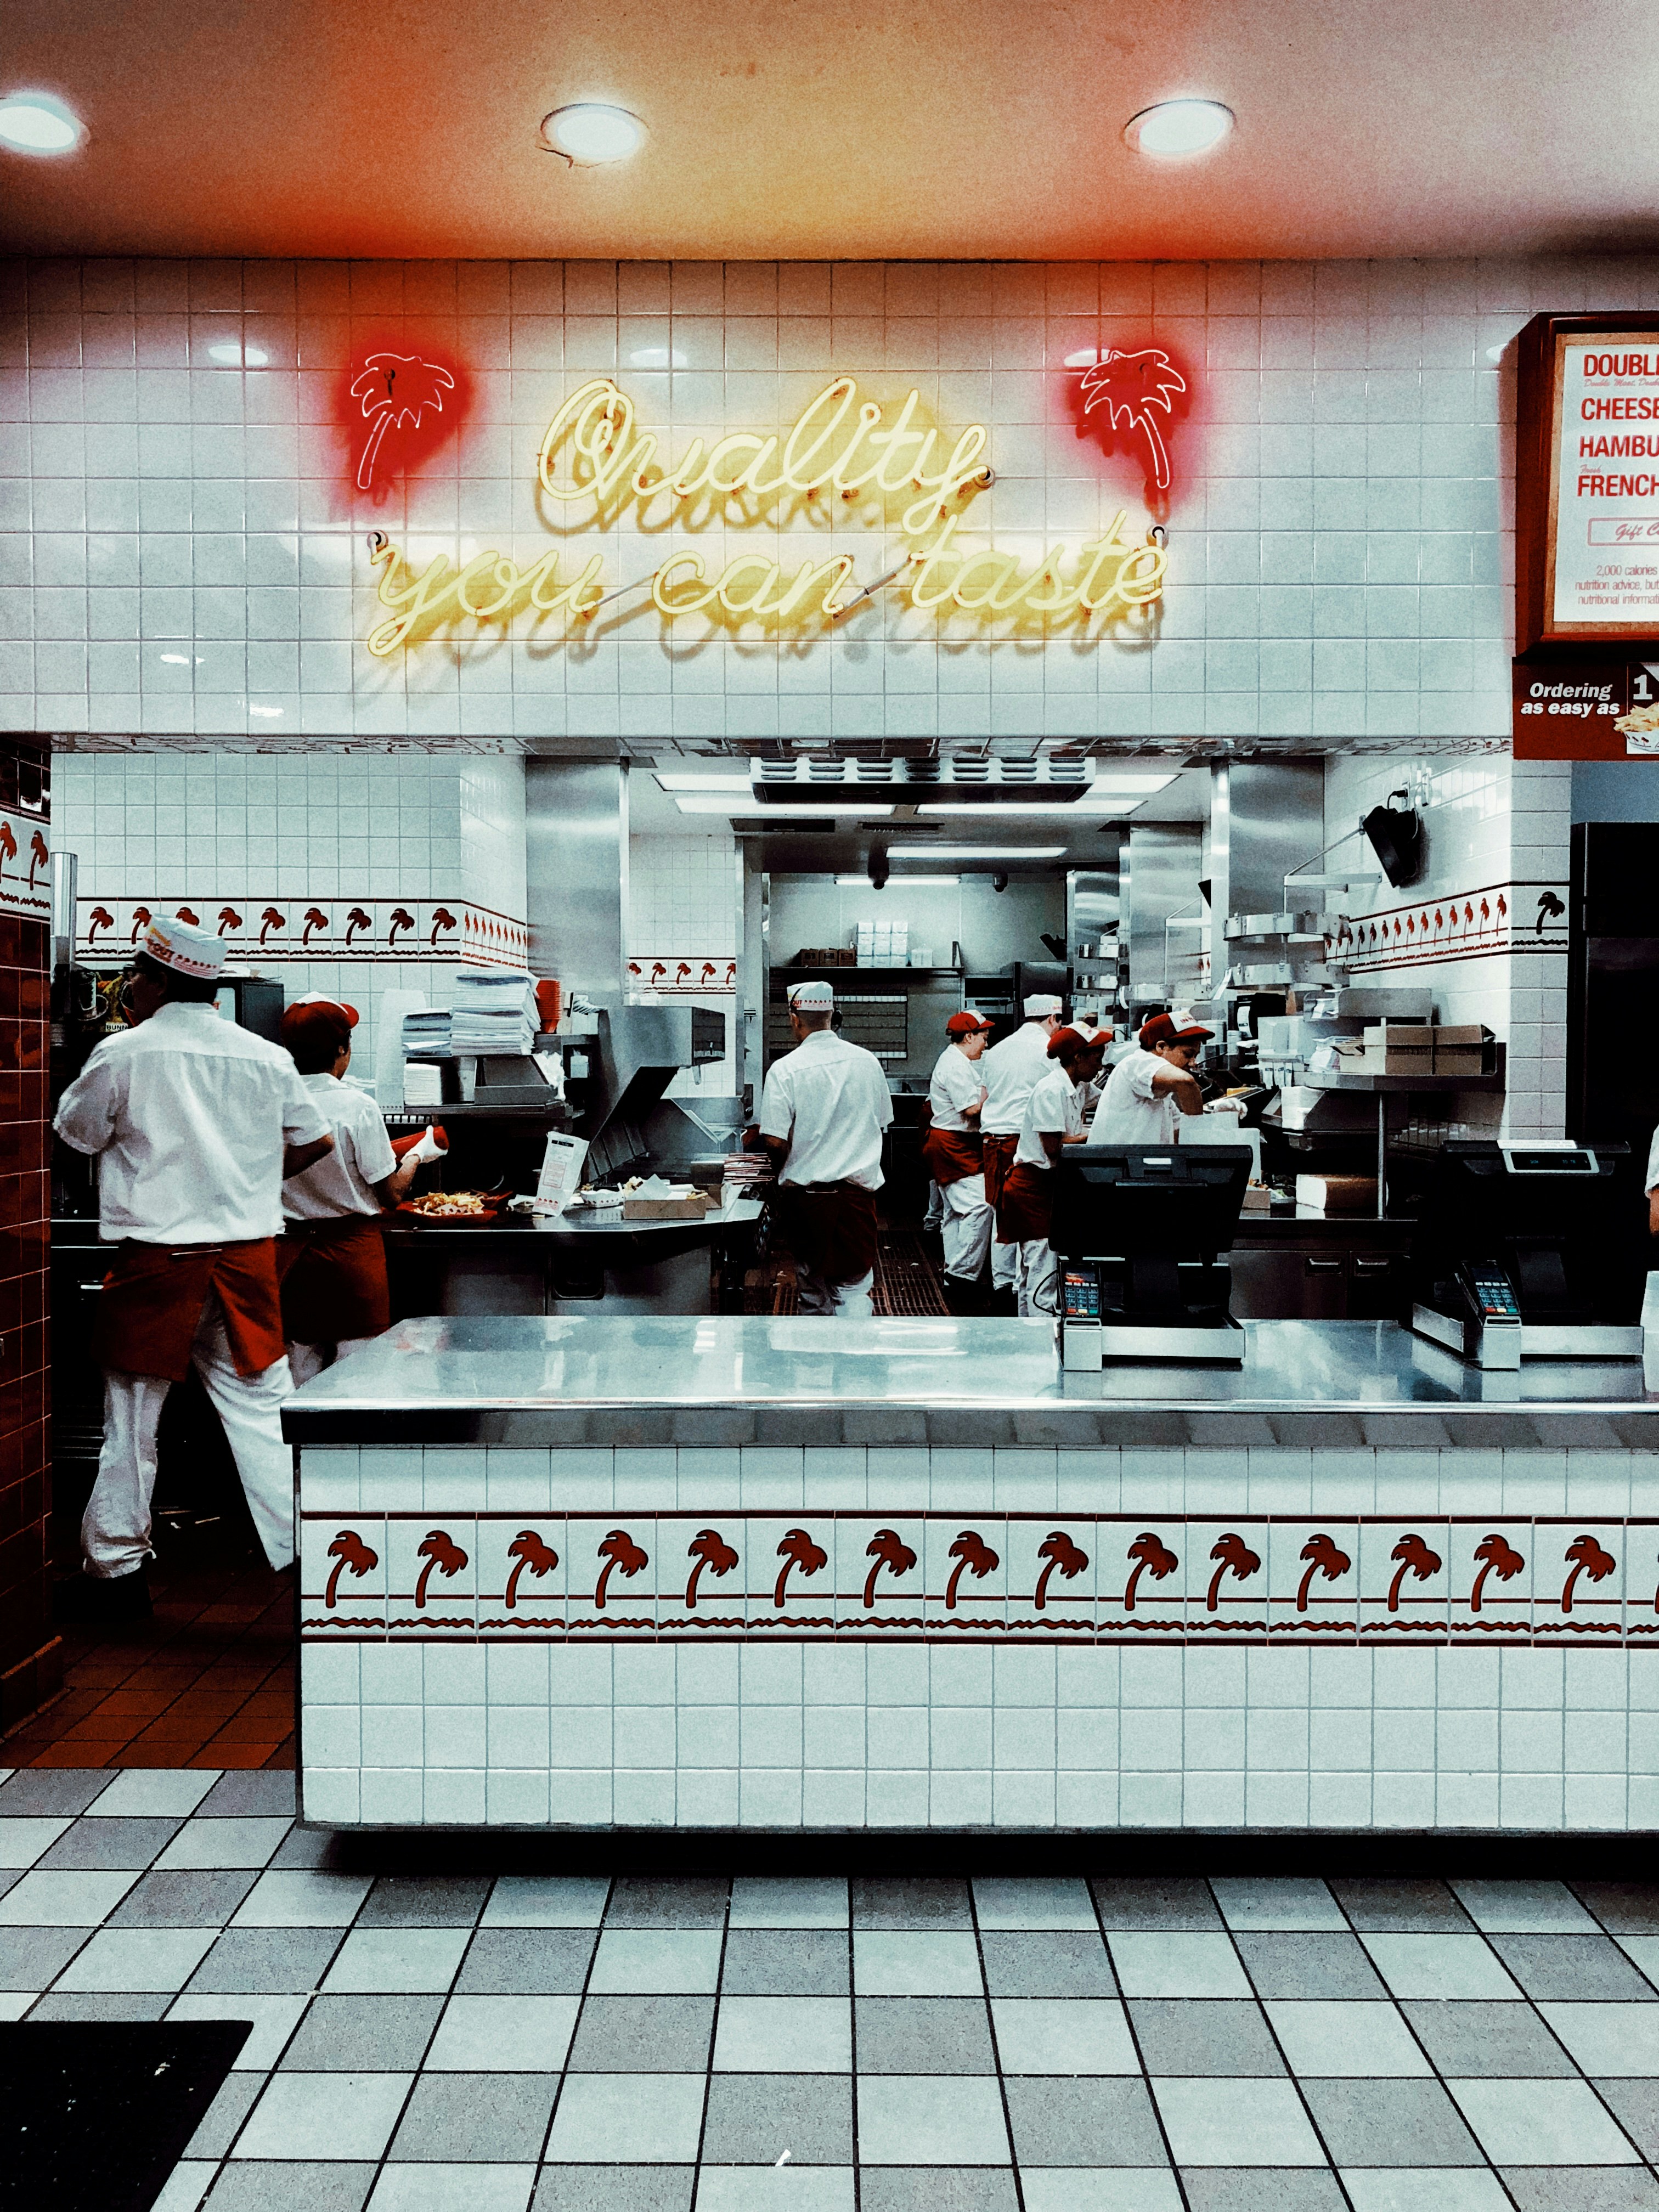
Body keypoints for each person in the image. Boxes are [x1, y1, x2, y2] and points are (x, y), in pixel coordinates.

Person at [52, 917, 336, 1620]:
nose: (128, 991)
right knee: (265, 1416)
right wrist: (253, 1181)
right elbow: (314, 1140)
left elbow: (78, 1135)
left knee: (132, 1422)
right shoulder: (264, 1057)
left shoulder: (125, 1054)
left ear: (158, 980)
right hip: (245, 1261)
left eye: (135, 978)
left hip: (157, 1263)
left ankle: (115, 1575)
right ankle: (315, 1568)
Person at [276, 996, 432, 1386]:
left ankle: (301, 1451)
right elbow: (390, 1195)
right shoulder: (358, 1106)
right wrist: (415, 1156)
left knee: (300, 1373)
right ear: (342, 1049)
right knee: (360, 1375)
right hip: (351, 1257)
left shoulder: (271, 1103)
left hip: (294, 1259)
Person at [758, 979, 894, 1317]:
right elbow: (881, 1124)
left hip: (807, 1203)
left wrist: (775, 1176)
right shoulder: (868, 1063)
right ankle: (853, 1366)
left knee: (811, 1289)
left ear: (794, 1018)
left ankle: (814, 1365)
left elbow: (774, 1141)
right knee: (852, 1290)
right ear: (833, 1014)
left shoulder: (785, 1069)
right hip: (855, 1200)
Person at [997, 1025, 1108, 1318]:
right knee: (1042, 1269)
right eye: (1097, 1057)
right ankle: (1042, 1343)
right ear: (1078, 1057)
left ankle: (1025, 1335)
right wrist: (1092, 1134)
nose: (1100, 1065)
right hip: (1032, 1188)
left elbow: (1110, 1100)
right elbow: (1054, 1148)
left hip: (1048, 1187)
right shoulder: (1051, 1089)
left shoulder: (1079, 1087)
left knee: (1031, 1271)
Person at [979, 993, 1064, 1310]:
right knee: (1028, 1224)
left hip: (992, 1139)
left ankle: (1003, 1282)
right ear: (1053, 1019)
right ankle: (1017, 1287)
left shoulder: (998, 1049)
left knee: (1003, 1211)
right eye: (1059, 1022)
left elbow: (985, 1094)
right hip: (1022, 1138)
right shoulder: (1047, 1050)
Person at [923, 1010, 995, 1312]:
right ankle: (962, 1275)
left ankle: (955, 1273)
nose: (986, 1045)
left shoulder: (960, 1061)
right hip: (954, 1145)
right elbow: (970, 1110)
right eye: (984, 1038)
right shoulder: (955, 1065)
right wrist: (995, 1089)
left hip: (956, 1143)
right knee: (981, 1207)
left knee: (955, 1213)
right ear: (968, 1037)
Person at [1091, 1008, 1212, 1144]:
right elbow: (1186, 1082)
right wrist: (1198, 1126)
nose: (1193, 1063)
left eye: (1196, 1056)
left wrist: (1217, 1114)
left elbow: (1178, 1132)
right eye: (1188, 1054)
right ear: (1161, 1047)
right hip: (1117, 1163)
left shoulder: (1163, 1098)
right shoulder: (1139, 1062)